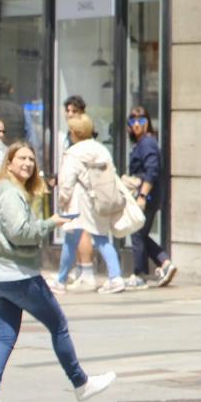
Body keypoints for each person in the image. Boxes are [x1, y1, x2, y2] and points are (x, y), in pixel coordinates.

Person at [0, 141, 116, 402]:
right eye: (21, 159)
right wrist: (51, 223)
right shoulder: (11, 194)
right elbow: (20, 232)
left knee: (5, 336)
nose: (27, 163)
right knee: (59, 325)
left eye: (31, 159)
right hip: (19, 275)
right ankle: (80, 383)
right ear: (9, 163)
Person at [54, 113, 126, 295]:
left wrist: (62, 201)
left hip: (79, 202)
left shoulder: (74, 152)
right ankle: (116, 277)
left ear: (74, 132)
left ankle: (60, 280)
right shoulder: (101, 149)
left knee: (71, 239)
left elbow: (66, 182)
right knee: (102, 238)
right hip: (100, 200)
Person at [126, 108, 173, 288]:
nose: (136, 124)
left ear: (148, 122)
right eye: (132, 121)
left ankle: (140, 274)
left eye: (141, 120)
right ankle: (165, 263)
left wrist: (143, 195)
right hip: (147, 194)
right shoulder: (142, 143)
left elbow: (152, 171)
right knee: (142, 233)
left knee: (137, 232)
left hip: (147, 195)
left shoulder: (147, 143)